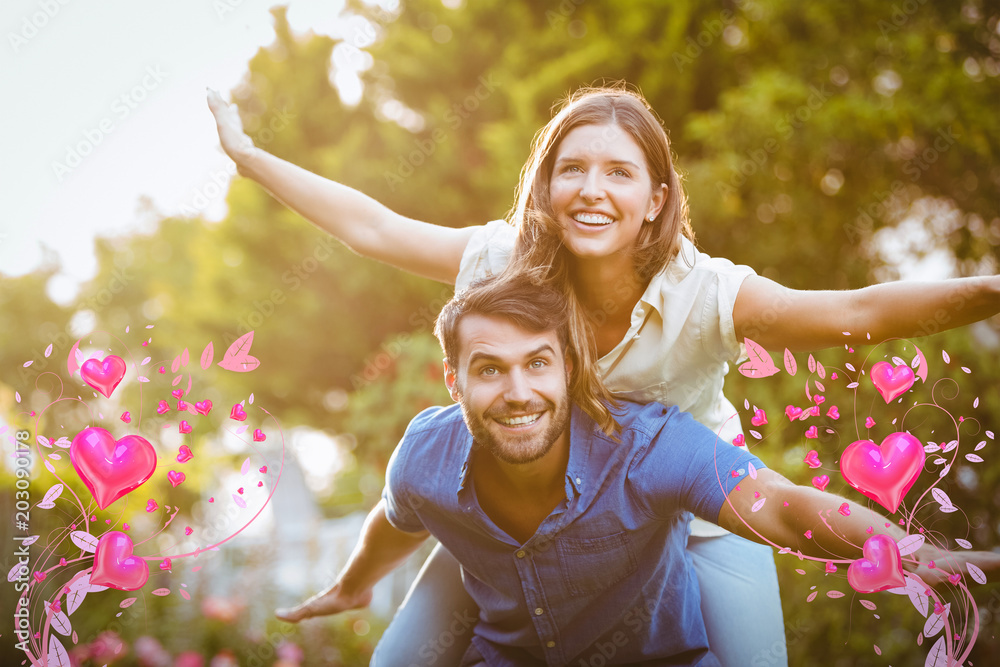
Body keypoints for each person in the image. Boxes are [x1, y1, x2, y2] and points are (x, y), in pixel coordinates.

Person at [207, 83, 1000, 666]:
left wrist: (990, 290)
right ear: (545, 188)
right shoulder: (501, 259)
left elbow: (856, 312)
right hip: (532, 512)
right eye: (572, 169)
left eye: (619, 173)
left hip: (699, 510)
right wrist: (249, 160)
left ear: (657, 199)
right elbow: (373, 226)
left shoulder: (708, 291)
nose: (592, 189)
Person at [273, 273, 999, 666]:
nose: (518, 391)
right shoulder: (425, 455)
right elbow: (396, 520)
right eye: (489, 369)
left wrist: (907, 552)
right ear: (454, 379)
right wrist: (351, 585)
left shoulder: (649, 447)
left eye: (537, 364)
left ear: (570, 368)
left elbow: (780, 505)